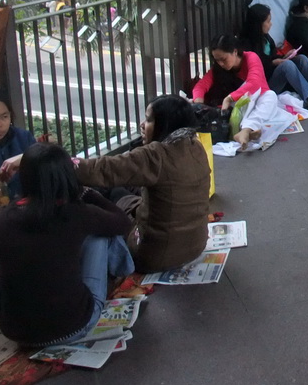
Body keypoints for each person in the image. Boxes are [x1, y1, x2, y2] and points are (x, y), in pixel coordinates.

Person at [0, 143, 134, 347]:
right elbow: (122, 223)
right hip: (74, 326)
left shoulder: (1, 218)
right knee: (101, 235)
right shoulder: (77, 213)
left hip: (17, 335)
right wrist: (84, 192)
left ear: (24, 178)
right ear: (67, 175)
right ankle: (127, 274)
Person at [74, 95, 211, 273]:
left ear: (165, 124)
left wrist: (59, 164)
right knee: (128, 191)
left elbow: (103, 169)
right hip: (195, 247)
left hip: (154, 255)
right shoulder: (195, 145)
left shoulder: (155, 155)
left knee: (113, 195)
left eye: (148, 119)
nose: (142, 124)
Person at [191, 35, 298, 145]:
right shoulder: (218, 70)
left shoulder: (251, 57)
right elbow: (200, 86)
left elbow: (255, 83)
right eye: (217, 60)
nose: (220, 64)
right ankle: (245, 130)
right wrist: (199, 103)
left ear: (235, 52)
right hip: (234, 110)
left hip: (255, 102)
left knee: (270, 96)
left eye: (223, 59)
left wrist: (230, 97)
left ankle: (246, 130)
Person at [240, 4, 308, 107]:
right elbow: (255, 66)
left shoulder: (266, 38)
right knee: (287, 66)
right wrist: (273, 63)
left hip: (274, 72)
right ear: (258, 24)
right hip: (265, 85)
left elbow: (273, 56)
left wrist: (285, 56)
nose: (270, 24)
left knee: (301, 59)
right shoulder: (247, 43)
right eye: (268, 21)